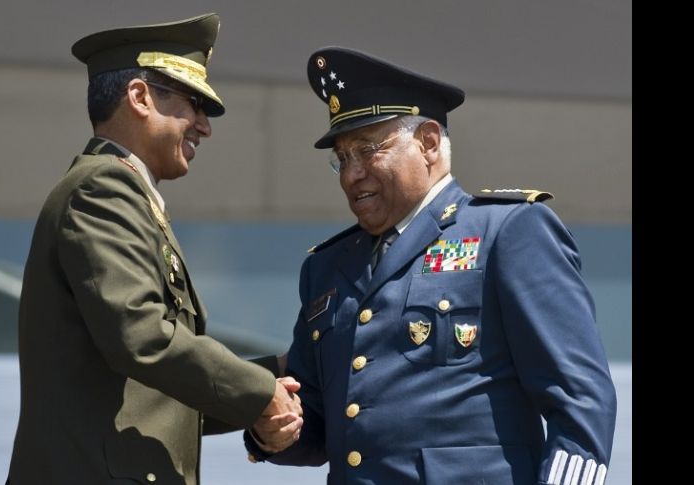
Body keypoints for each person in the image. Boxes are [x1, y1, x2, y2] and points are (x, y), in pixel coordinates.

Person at [244, 46, 617, 485]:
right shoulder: (326, 268)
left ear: (428, 143)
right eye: (342, 159)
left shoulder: (507, 231)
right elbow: (320, 423)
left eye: (367, 150)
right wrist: (271, 431)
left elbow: (580, 400)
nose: (351, 174)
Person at [6, 13, 303, 485]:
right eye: (193, 104)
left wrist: (278, 376)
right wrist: (260, 392)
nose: (203, 127)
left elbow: (158, 396)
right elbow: (143, 338)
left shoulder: (127, 196)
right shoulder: (101, 188)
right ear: (140, 97)